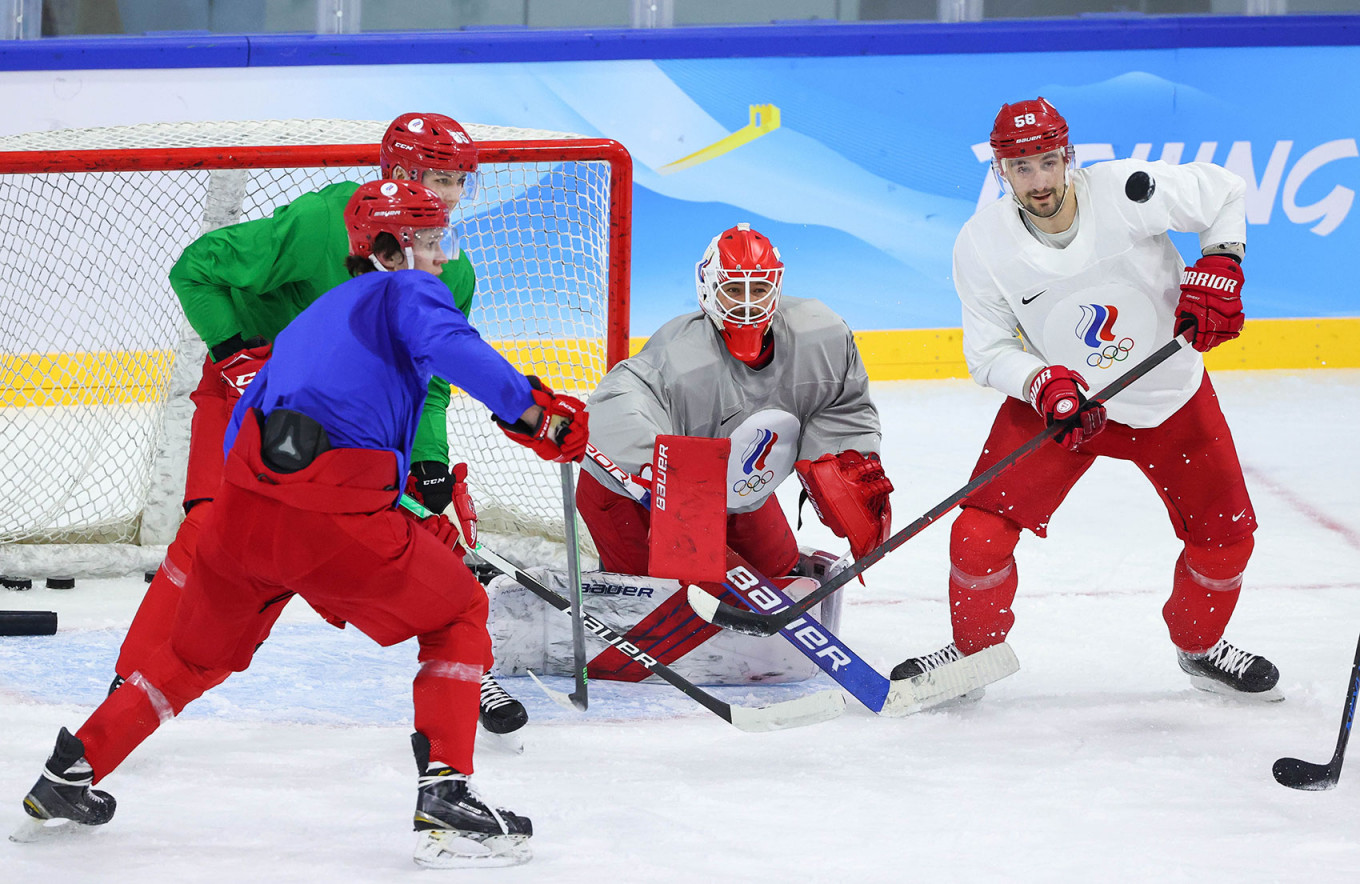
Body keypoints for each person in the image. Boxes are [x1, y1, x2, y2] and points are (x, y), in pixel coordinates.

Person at [14, 180, 589, 868]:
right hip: (331, 526)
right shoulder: (406, 293)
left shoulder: (312, 318)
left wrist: (387, 508)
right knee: (461, 608)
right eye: (429, 242)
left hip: (242, 519)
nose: (442, 258)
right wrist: (537, 416)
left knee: (194, 658)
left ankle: (71, 772)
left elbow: (256, 441)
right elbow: (453, 348)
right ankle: (448, 794)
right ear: (385, 250)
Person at [114, 112, 529, 736]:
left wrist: (429, 457)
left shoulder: (451, 267)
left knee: (421, 526)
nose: (448, 195)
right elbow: (196, 266)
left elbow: (432, 378)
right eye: (436, 177)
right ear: (396, 172)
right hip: (251, 394)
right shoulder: (318, 224)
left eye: (456, 181)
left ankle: (467, 663)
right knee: (210, 532)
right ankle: (132, 679)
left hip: (347, 420)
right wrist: (235, 352)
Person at [892, 97, 1280, 701]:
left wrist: (1222, 263)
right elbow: (988, 352)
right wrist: (1040, 382)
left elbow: (1226, 192)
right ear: (1000, 172)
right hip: (1067, 404)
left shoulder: (1127, 189)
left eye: (1048, 162)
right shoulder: (980, 244)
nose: (1038, 181)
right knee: (978, 535)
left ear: (1068, 157)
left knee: (1227, 539)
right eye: (1021, 168)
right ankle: (972, 657)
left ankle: (1201, 646)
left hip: (1169, 397)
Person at [576, 223, 894, 678]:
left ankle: (724, 593)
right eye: (733, 289)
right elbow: (616, 405)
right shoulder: (680, 357)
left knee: (780, 570)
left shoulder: (820, 336)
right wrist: (649, 466)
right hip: (633, 497)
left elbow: (844, 407)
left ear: (778, 285)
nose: (747, 302)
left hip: (733, 494)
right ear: (708, 288)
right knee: (671, 601)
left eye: (759, 287)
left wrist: (845, 460)